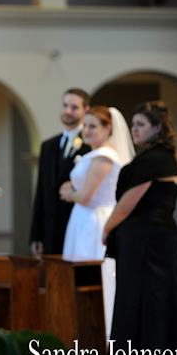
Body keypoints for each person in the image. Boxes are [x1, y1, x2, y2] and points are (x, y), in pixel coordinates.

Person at [101, 101, 177, 355]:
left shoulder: (156, 159)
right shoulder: (164, 157)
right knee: (153, 305)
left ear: (157, 128)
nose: (134, 129)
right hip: (154, 240)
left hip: (147, 242)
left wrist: (106, 230)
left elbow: (127, 204)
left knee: (145, 306)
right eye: (133, 124)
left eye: (140, 124)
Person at [59, 106, 134, 339]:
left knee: (96, 277)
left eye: (93, 126)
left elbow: (86, 197)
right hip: (84, 219)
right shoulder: (95, 154)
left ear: (108, 129)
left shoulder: (104, 156)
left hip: (94, 221)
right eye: (86, 126)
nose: (87, 131)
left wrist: (69, 193)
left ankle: (101, 334)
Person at [30, 88, 91, 257]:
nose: (67, 111)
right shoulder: (48, 146)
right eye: (65, 106)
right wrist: (36, 235)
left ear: (86, 110)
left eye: (74, 107)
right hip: (50, 231)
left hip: (78, 227)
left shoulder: (90, 145)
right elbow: (41, 191)